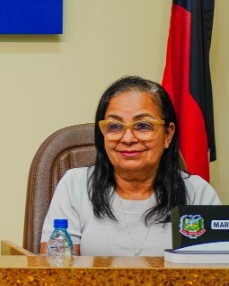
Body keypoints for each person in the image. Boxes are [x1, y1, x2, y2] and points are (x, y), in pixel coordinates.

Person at [40, 75, 221, 256]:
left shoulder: (197, 193)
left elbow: (215, 269)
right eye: (114, 126)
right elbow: (56, 268)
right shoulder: (75, 186)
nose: (128, 138)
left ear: (168, 134)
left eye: (143, 125)